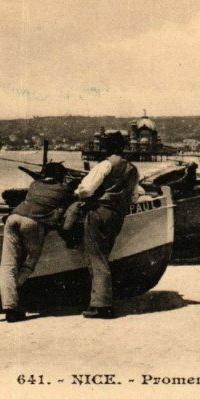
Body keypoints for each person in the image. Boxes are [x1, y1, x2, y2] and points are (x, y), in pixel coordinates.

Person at [0, 163, 74, 323]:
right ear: (61, 176)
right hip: (33, 223)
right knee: (28, 263)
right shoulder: (64, 190)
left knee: (8, 265)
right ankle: (7, 305)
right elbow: (62, 212)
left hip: (13, 218)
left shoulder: (35, 185)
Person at [76, 132, 144, 319]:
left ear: (106, 147)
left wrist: (80, 196)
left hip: (99, 211)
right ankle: (102, 301)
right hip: (118, 214)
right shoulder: (132, 168)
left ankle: (101, 305)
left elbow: (86, 189)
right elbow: (135, 195)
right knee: (104, 255)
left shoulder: (105, 164)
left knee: (96, 258)